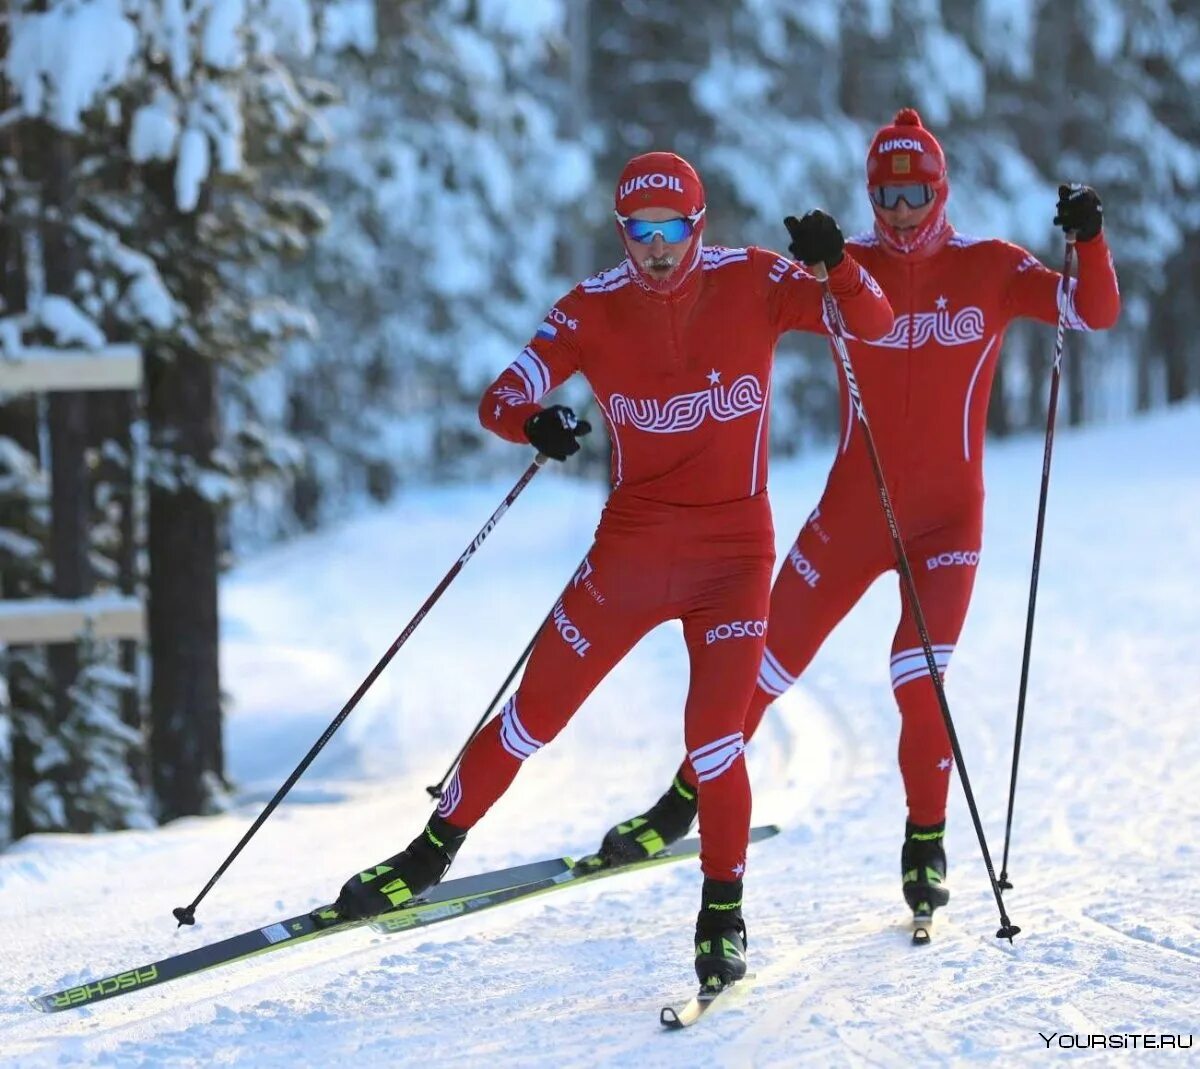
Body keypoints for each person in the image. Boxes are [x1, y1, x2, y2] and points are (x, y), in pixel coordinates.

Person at [332, 150, 894, 988]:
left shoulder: (756, 281)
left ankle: (722, 916)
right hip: (631, 552)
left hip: (734, 557)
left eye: (672, 230)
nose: (658, 248)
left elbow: (876, 323)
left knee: (714, 740)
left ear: (698, 225)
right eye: (641, 231)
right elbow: (499, 396)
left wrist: (840, 265)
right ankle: (426, 854)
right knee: (532, 715)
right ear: (622, 231)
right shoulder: (592, 308)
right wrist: (534, 422)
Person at [598, 109, 1121, 923]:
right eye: (887, 194)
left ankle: (925, 841)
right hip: (851, 516)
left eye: (916, 193)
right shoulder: (847, 271)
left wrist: (1089, 240)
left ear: (940, 191)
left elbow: (1093, 312)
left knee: (917, 680)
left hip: (947, 523)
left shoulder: (987, 268)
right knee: (760, 669)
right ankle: (681, 801)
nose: (902, 210)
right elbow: (730, 300)